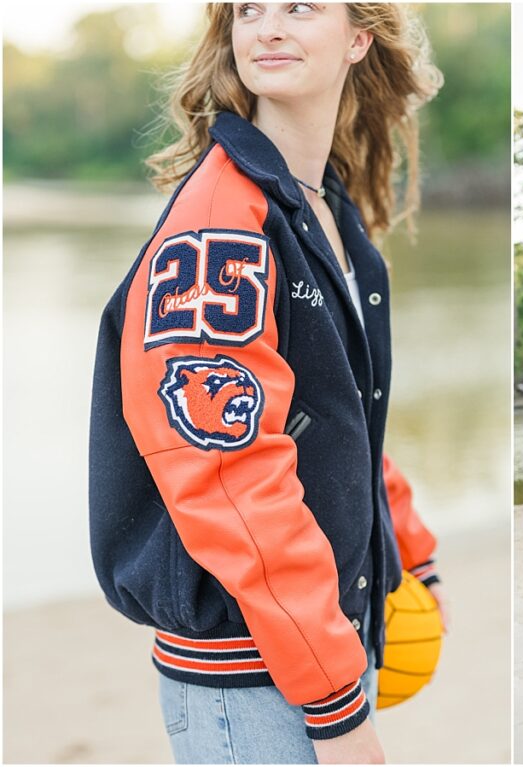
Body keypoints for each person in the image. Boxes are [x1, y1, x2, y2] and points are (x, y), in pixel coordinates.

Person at [88, 3, 445, 763]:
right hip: (249, 679)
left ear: (359, 38)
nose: (267, 27)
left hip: (321, 643)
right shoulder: (220, 226)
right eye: (248, 9)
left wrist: (409, 549)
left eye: (298, 7)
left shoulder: (327, 213)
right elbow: (228, 474)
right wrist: (336, 703)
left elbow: (341, 419)